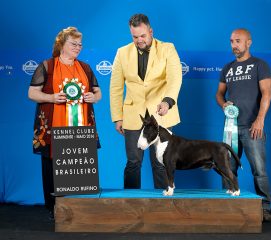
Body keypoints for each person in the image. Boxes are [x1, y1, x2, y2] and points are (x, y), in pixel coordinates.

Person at [28, 27, 101, 219]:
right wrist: (51, 97)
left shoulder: (85, 68)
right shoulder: (47, 66)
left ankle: (78, 208)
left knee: (79, 164)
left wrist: (93, 98)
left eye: (80, 44)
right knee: (52, 165)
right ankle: (54, 208)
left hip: (81, 126)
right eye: (73, 44)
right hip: (53, 126)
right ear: (61, 44)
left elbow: (98, 93)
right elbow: (32, 93)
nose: (78, 47)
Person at [110, 14, 182, 189]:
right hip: (133, 115)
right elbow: (116, 88)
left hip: (161, 113)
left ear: (151, 31)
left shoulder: (168, 48)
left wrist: (167, 101)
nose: (139, 40)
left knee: (160, 162)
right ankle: (130, 203)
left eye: (143, 36)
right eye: (135, 37)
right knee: (133, 162)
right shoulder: (122, 52)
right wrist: (118, 117)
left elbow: (175, 78)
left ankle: (164, 205)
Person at [216, 28, 271, 222]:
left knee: (259, 170)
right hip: (230, 129)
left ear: (249, 42)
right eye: (231, 41)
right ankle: (227, 205)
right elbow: (219, 94)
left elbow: (267, 93)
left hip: (252, 127)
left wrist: (260, 120)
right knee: (227, 168)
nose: (234, 45)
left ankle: (264, 207)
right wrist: (224, 104)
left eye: (238, 41)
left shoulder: (260, 65)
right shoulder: (227, 68)